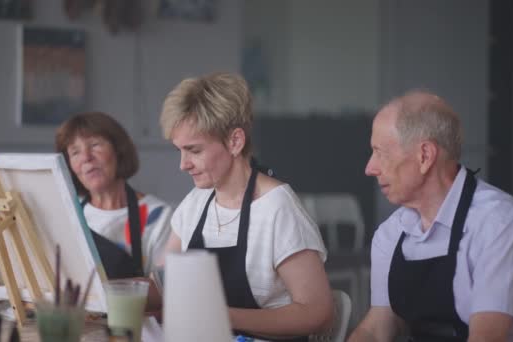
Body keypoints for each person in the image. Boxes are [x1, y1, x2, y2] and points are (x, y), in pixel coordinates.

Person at [348, 91, 513, 341]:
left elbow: (486, 337)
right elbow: (378, 327)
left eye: (381, 153)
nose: (370, 168)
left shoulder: (500, 223)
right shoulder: (391, 233)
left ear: (425, 156)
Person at [157, 72, 333, 341]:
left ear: (235, 141)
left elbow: (317, 312)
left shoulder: (277, 208)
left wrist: (224, 316)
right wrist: (112, 293)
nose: (183, 165)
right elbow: (163, 280)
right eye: (179, 151)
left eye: (194, 151)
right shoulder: (196, 201)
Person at [55, 112, 172, 278]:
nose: (86, 158)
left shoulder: (159, 215)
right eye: (75, 152)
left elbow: (165, 289)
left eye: (95, 145)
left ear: (119, 150)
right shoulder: (67, 214)